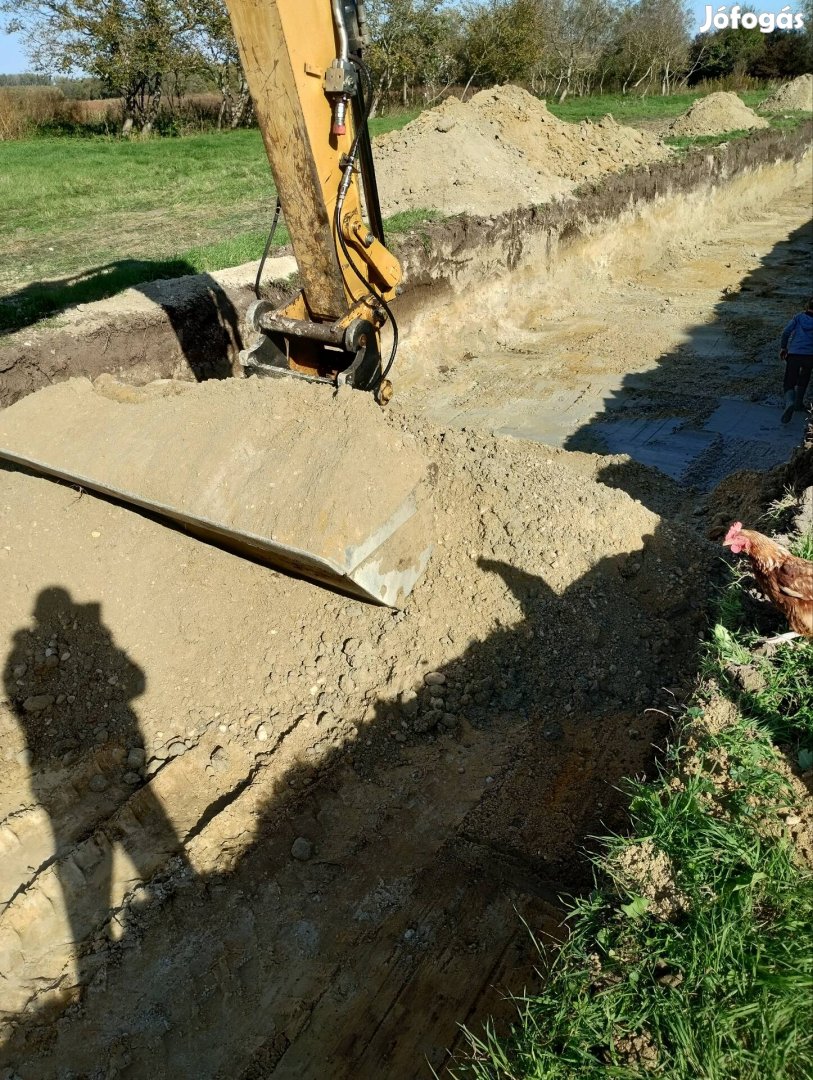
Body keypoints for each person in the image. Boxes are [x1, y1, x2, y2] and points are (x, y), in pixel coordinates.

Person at [779, 297, 813, 424]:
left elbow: (786, 332)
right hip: (810, 356)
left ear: (807, 306)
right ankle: (799, 404)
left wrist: (783, 347)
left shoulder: (798, 317)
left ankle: (790, 402)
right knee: (804, 378)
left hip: (795, 354)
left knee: (789, 380)